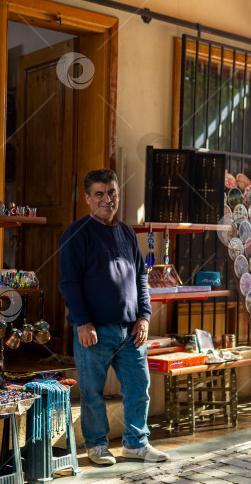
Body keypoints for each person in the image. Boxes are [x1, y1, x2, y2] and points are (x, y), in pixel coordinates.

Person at [58, 168, 169, 465]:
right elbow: (68, 282)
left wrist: (144, 316)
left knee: (139, 387)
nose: (107, 199)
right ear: (87, 198)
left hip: (131, 330)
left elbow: (141, 279)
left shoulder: (128, 233)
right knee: (92, 393)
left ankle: (136, 443)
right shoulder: (76, 234)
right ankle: (96, 446)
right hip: (94, 330)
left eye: (112, 193)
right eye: (99, 194)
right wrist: (82, 321)